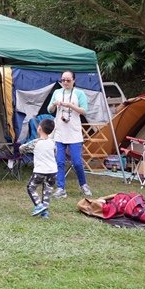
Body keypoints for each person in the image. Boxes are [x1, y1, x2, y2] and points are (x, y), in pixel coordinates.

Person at [49, 70, 91, 198]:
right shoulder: (57, 92)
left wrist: (71, 106)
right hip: (60, 131)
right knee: (60, 162)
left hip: (74, 132)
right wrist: (54, 105)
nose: (65, 82)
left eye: (68, 80)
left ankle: (83, 184)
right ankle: (61, 188)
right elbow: (49, 109)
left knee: (77, 162)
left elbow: (84, 111)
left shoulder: (79, 93)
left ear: (74, 80)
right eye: (63, 80)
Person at [20, 118, 57, 218]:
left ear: (39, 128)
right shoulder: (53, 142)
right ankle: (45, 213)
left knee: (31, 187)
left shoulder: (35, 143)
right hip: (53, 171)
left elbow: (22, 148)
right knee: (47, 191)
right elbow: (55, 153)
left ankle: (39, 205)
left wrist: (24, 148)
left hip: (40, 171)